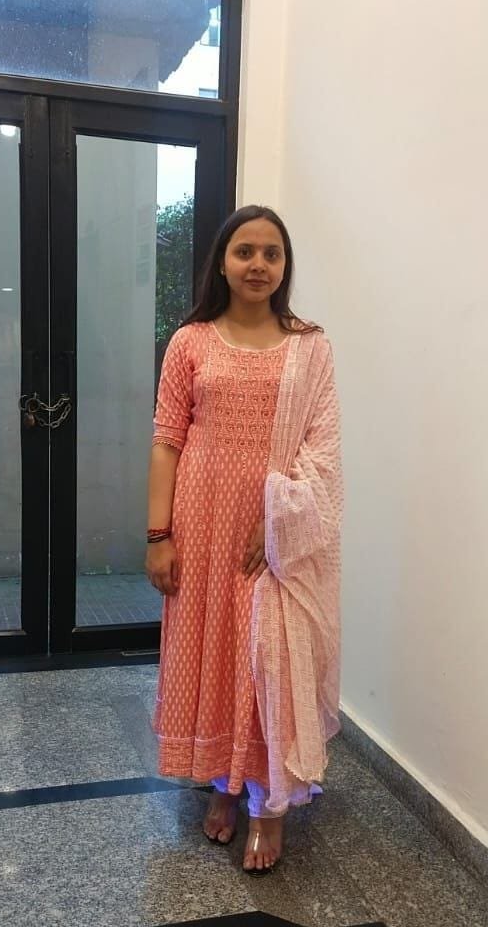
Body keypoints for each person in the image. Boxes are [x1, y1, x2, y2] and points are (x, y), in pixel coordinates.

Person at [146, 204, 343, 873]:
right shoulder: (190, 342)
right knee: (214, 650)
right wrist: (158, 534)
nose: (258, 264)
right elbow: (167, 441)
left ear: (285, 266)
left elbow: (322, 447)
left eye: (272, 253)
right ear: (223, 263)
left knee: (268, 658)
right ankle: (223, 784)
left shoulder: (310, 347)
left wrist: (280, 522)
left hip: (273, 533)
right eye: (245, 251)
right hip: (201, 522)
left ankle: (268, 806)